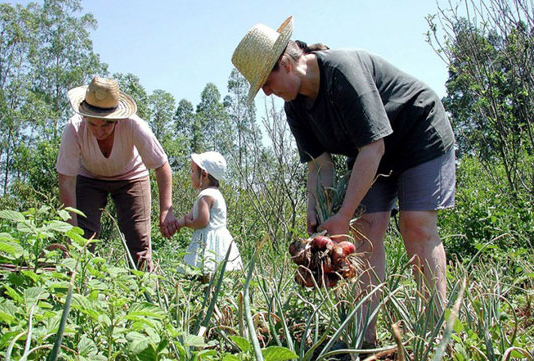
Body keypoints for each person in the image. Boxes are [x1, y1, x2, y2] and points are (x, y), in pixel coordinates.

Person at [232, 16, 455, 345]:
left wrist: (344, 214)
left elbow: (373, 146)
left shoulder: (342, 72)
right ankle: (364, 339)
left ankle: (437, 336)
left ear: (285, 64)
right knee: (366, 232)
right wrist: (318, 213)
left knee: (416, 226)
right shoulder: (295, 107)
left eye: (266, 81)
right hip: (371, 151)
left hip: (417, 134)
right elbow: (320, 166)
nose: (266, 93)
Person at [56, 76, 178, 271]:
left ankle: (145, 293)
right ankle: (80, 288)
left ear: (117, 119)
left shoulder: (134, 125)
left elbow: (161, 166)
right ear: (85, 116)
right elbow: (66, 182)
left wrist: (166, 210)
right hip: (89, 178)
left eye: (106, 125)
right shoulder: (74, 128)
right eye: (93, 124)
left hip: (131, 177)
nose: (99, 131)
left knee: (138, 240)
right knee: (82, 238)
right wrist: (71, 229)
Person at [175, 151, 243, 279]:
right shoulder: (215, 193)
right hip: (220, 239)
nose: (190, 175)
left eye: (193, 171)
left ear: (204, 174)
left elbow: (202, 221)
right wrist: (177, 224)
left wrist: (187, 224)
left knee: (203, 270)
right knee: (217, 274)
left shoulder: (205, 196)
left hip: (207, 240)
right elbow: (190, 214)